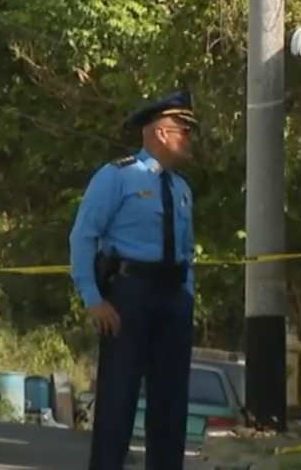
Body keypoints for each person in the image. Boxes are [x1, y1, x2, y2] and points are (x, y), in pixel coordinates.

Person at [69, 91, 197, 470]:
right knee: (118, 397)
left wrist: (186, 296)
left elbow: (187, 253)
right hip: (129, 293)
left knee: (171, 401)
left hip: (172, 297)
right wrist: (93, 298)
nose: (189, 137)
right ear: (160, 133)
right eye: (184, 130)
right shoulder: (117, 177)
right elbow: (83, 236)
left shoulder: (182, 188)